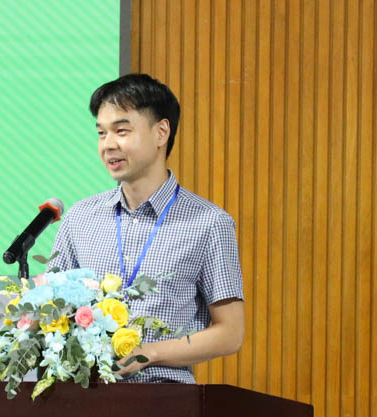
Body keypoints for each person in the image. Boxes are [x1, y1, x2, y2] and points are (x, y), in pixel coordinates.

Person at [47, 73, 244, 383]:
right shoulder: (80, 218)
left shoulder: (208, 223)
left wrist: (149, 353)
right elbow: (50, 311)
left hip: (165, 397)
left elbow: (230, 333)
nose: (108, 145)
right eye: (101, 133)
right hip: (85, 396)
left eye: (121, 131)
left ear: (161, 132)